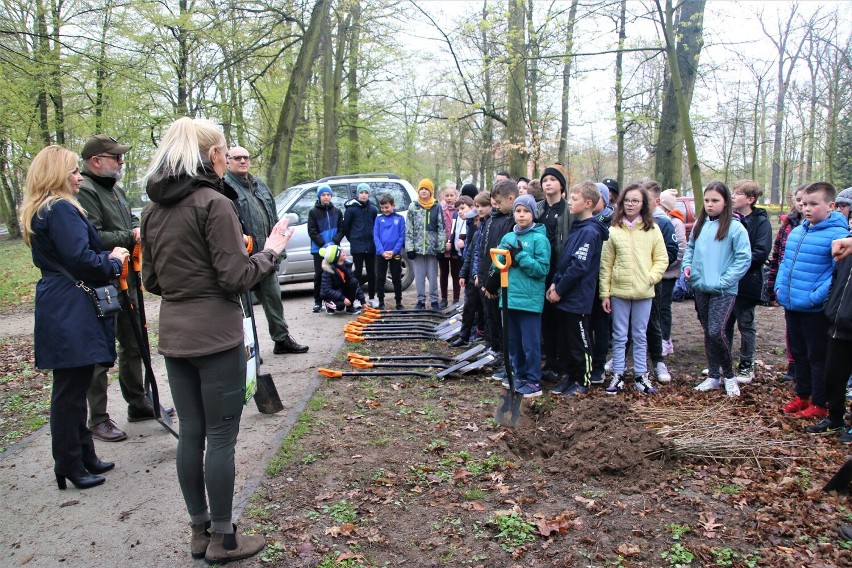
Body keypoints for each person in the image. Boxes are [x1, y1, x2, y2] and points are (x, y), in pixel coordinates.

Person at [141, 117, 293, 563]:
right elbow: (235, 277)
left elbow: (151, 279)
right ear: (212, 157)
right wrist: (270, 250)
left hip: (175, 335)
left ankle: (198, 530)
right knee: (222, 436)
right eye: (226, 154)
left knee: (192, 432)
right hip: (217, 337)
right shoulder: (214, 203)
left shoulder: (151, 211)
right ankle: (224, 539)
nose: (229, 161)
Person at [21, 145, 127, 490]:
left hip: (62, 303)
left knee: (76, 383)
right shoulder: (61, 209)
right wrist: (113, 260)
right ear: (56, 175)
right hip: (71, 306)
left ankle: (83, 455)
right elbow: (81, 260)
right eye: (72, 172)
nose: (79, 176)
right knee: (69, 390)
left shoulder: (45, 209)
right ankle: (69, 462)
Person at [75, 134, 171, 443]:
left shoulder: (113, 190)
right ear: (96, 161)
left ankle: (138, 402)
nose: (121, 162)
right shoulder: (86, 191)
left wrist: (135, 232)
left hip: (127, 279)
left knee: (135, 343)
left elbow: (130, 224)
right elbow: (93, 237)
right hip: (101, 282)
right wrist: (129, 236)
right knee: (102, 352)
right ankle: (98, 418)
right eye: (116, 157)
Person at [775, 182, 850, 419]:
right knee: (798, 353)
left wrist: (814, 297)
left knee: (817, 356)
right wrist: (779, 288)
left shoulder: (839, 235)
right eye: (804, 204)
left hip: (814, 308)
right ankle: (803, 395)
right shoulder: (797, 231)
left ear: (830, 206)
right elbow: (785, 263)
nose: (807, 209)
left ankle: (820, 402)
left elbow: (835, 273)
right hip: (792, 303)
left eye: (813, 204)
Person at [225, 146, 308, 355]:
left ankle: (281, 339)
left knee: (273, 298)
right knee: (244, 307)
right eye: (237, 158)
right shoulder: (225, 187)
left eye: (246, 157)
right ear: (228, 161)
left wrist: (279, 251)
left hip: (267, 254)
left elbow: (273, 217)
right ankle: (250, 350)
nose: (243, 161)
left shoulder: (259, 185)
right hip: (243, 258)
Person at [599, 184, 668, 395]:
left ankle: (641, 375)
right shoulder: (613, 230)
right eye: (627, 200)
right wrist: (605, 293)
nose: (631, 204)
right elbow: (606, 264)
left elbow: (661, 259)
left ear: (643, 204)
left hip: (643, 292)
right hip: (619, 291)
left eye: (635, 201)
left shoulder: (652, 229)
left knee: (640, 335)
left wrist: (650, 278)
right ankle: (618, 374)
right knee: (619, 336)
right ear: (621, 203)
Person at [686, 182, 752, 397]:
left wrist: (725, 280)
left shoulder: (735, 228)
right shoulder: (700, 224)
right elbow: (691, 248)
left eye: (715, 200)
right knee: (708, 332)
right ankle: (713, 376)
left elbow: (743, 258)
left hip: (724, 290)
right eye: (707, 200)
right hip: (701, 286)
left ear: (725, 202)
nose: (710, 205)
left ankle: (730, 376)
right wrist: (688, 267)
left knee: (717, 331)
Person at [547, 182, 607, 396]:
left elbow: (578, 266)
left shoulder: (590, 231)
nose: (570, 202)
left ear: (588, 203)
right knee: (565, 341)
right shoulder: (577, 227)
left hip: (578, 297)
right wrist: (554, 282)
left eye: (574, 199)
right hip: (563, 296)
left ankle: (583, 379)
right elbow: (565, 260)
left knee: (579, 341)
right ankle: (570, 377)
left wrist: (560, 289)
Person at [494, 194, 550, 397]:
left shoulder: (539, 239)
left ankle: (533, 381)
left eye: (526, 211)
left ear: (533, 214)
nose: (521, 215)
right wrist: (506, 259)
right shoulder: (508, 237)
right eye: (518, 211)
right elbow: (496, 262)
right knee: (513, 342)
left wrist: (520, 256)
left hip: (529, 301)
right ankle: (519, 376)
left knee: (530, 344)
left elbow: (541, 270)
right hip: (508, 299)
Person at [807, 212, 852, 436]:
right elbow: (835, 281)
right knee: (833, 377)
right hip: (838, 325)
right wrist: (830, 307)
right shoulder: (845, 251)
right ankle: (835, 419)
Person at [726, 180, 772, 383]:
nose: (733, 197)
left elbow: (761, 252)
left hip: (747, 283)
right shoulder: (727, 219)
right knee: (724, 324)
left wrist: (736, 266)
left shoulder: (761, 222)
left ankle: (746, 365)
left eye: (738, 193)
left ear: (750, 199)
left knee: (745, 324)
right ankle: (723, 365)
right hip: (726, 283)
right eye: (733, 193)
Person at [535, 163, 574, 383]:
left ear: (561, 185)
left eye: (552, 180)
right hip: (541, 271)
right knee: (546, 320)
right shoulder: (538, 209)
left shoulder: (569, 210)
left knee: (562, 320)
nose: (548, 183)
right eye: (545, 180)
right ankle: (549, 361)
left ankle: (563, 364)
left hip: (561, 271)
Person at [639, 180, 679, 383]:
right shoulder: (630, 222)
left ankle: (657, 361)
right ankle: (623, 361)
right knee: (626, 324)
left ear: (655, 201)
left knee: (652, 321)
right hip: (630, 281)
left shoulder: (663, 223)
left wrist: (653, 271)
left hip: (652, 281)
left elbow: (671, 252)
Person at [766, 185, 805, 381]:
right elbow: (777, 257)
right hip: (787, 285)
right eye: (798, 200)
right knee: (791, 329)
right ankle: (793, 365)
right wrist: (773, 288)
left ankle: (805, 369)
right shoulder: (788, 226)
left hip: (807, 287)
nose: (802, 204)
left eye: (805, 201)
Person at [480, 179, 519, 373]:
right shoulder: (495, 220)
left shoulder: (512, 222)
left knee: (506, 325)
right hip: (493, 278)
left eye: (498, 202)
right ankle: (497, 351)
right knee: (493, 318)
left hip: (506, 282)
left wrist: (492, 283)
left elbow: (504, 255)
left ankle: (507, 358)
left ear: (510, 198)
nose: (496, 206)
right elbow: (488, 250)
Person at [452, 191, 491, 347]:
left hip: (482, 277)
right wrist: (464, 273)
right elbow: (470, 256)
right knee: (469, 307)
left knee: (485, 311)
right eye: (473, 220)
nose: (476, 223)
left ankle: (485, 337)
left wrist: (479, 275)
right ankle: (464, 336)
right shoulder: (475, 234)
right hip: (471, 277)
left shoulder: (486, 230)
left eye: (477, 220)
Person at [405, 179, 444, 310]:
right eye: (421, 189)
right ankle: (420, 301)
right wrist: (409, 247)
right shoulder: (413, 207)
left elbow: (441, 228)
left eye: (426, 189)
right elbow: (409, 229)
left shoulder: (437, 207)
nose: (423, 191)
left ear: (431, 192)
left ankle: (434, 301)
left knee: (433, 276)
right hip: (417, 249)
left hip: (432, 249)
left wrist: (440, 248)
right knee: (419, 276)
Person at [659, 188, 687, 356]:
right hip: (657, 273)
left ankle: (666, 340)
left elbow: (680, 249)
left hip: (668, 274)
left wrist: (664, 265)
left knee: (664, 308)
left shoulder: (675, 223)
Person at [308, 184, 343, 313]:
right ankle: (318, 301)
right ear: (319, 196)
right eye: (323, 195)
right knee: (319, 275)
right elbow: (312, 231)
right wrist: (323, 244)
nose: (326, 197)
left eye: (328, 195)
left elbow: (341, 229)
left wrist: (334, 242)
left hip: (334, 249)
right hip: (319, 250)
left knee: (334, 275)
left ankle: (331, 301)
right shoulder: (313, 212)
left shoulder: (337, 211)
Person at [343, 183, 379, 307]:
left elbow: (376, 226)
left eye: (366, 193)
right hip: (357, 246)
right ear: (358, 194)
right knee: (357, 272)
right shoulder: (351, 209)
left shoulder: (373, 209)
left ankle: (373, 297)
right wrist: (353, 239)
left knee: (371, 272)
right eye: (361, 192)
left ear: (369, 194)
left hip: (371, 245)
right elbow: (346, 228)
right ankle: (357, 298)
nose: (364, 195)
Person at [373, 193, 406, 310]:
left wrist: (394, 251)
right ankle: (381, 302)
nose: (384, 210)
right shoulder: (378, 219)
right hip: (381, 254)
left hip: (395, 254)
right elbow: (376, 236)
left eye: (386, 207)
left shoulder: (399, 219)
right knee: (380, 278)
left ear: (393, 206)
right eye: (382, 208)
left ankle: (398, 302)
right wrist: (382, 251)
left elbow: (402, 237)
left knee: (396, 277)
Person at [319, 244, 365, 314]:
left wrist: (363, 301)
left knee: (354, 281)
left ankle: (350, 307)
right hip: (331, 294)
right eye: (341, 252)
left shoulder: (347, 266)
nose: (344, 252)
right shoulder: (328, 270)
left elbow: (356, 286)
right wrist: (343, 298)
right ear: (336, 257)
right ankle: (328, 304)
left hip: (341, 291)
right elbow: (327, 290)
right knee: (340, 306)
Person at [437, 185, 461, 309]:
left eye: (452, 195)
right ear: (443, 196)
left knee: (456, 273)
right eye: (447, 195)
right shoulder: (440, 209)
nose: (449, 198)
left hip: (455, 245)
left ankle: (456, 298)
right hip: (443, 245)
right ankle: (444, 298)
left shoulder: (459, 210)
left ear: (456, 196)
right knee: (443, 273)